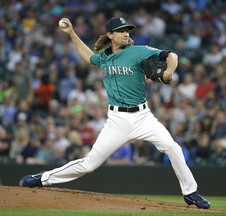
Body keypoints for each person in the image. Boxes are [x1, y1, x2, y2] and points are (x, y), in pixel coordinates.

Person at [19, 17, 210, 209]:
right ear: (110, 35)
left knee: (172, 147)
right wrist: (71, 34)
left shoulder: (139, 51)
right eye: (120, 30)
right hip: (117, 120)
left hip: (143, 117)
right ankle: (42, 178)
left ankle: (190, 192)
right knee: (90, 164)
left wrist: (168, 73)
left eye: (127, 30)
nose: (126, 33)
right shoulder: (104, 57)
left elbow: (172, 56)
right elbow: (88, 57)